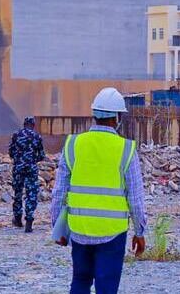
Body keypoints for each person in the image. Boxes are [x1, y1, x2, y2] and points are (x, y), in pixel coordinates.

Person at [50, 88, 146, 294]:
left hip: (79, 228)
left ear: (94, 114)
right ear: (117, 118)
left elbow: (59, 191)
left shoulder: (73, 144)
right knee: (107, 287)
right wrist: (140, 232)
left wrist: (58, 229)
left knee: (80, 281)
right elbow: (136, 198)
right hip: (112, 232)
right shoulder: (126, 149)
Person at [8, 116, 45, 232]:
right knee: (31, 193)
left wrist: (18, 159)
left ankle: (18, 219)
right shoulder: (37, 136)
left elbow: (11, 152)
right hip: (31, 168)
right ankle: (29, 221)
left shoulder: (16, 135)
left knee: (18, 192)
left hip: (18, 167)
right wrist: (33, 160)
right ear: (33, 125)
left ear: (24, 124)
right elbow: (42, 154)